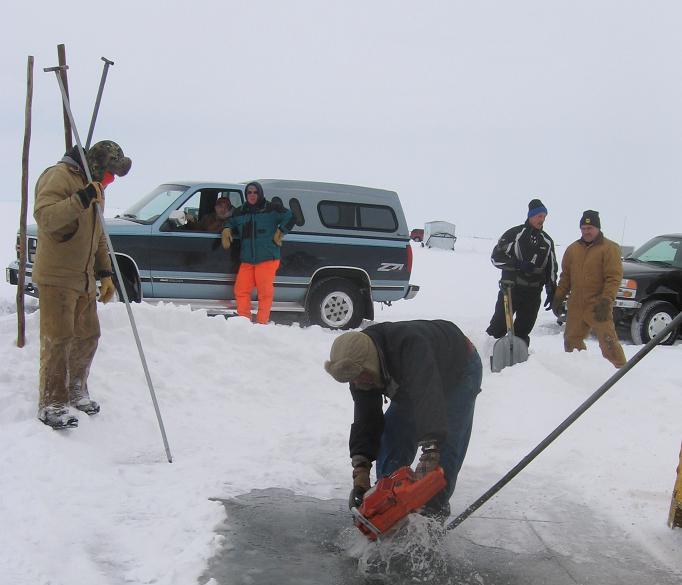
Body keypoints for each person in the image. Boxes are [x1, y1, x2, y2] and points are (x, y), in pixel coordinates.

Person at [324, 320, 482, 519]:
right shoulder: (358, 368)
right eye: (352, 380)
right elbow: (366, 420)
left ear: (370, 364)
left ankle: (432, 516)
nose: (356, 383)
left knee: (444, 452)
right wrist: (361, 471)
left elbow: (427, 396)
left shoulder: (410, 347)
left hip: (458, 369)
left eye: (359, 377)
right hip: (409, 382)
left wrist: (431, 452)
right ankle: (389, 507)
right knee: (393, 437)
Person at [32, 139, 132, 429]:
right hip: (58, 276)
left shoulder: (95, 187)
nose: (111, 180)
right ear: (98, 166)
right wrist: (81, 198)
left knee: (89, 335)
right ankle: (52, 403)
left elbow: (97, 231)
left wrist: (105, 272)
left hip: (84, 276)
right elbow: (45, 217)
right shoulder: (59, 176)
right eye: (111, 174)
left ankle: (76, 390)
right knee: (58, 339)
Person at [552, 210, 626, 368]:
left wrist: (606, 301)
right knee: (571, 341)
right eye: (583, 228)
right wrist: (558, 297)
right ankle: (579, 371)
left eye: (590, 228)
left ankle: (621, 371)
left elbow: (613, 278)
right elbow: (565, 277)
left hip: (598, 305)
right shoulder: (572, 249)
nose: (586, 231)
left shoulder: (609, 248)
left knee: (609, 343)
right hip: (576, 305)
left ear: (598, 228)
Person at [221, 181, 295, 324]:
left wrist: (281, 231)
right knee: (241, 290)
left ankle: (262, 323)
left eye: (255, 192)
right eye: (249, 192)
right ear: (246, 194)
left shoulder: (272, 208)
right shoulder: (240, 211)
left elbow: (291, 216)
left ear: (260, 193)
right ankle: (244, 321)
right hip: (247, 259)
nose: (252, 195)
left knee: (264, 293)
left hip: (267, 258)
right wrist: (226, 229)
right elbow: (230, 221)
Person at [486, 199, 557, 346]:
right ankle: (488, 352)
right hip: (511, 289)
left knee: (523, 330)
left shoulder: (547, 241)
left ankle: (521, 363)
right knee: (499, 327)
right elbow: (495, 258)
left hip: (533, 293)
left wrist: (551, 289)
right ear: (530, 216)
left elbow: (552, 268)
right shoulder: (514, 234)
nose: (541, 219)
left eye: (544, 216)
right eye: (539, 216)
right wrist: (517, 265)